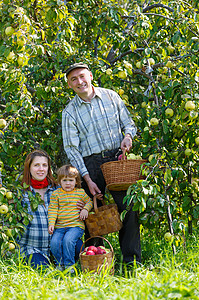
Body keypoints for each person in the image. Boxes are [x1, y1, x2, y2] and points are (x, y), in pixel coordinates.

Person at [62, 62, 141, 265]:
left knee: (129, 208)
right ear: (70, 85)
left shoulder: (110, 96)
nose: (80, 82)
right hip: (91, 165)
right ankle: (95, 264)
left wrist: (128, 137)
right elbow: (72, 149)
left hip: (117, 161)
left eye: (82, 76)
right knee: (90, 216)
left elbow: (129, 124)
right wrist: (87, 178)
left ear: (90, 75)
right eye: (74, 79)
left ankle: (131, 262)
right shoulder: (69, 112)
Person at [17, 149, 83, 268]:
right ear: (29, 168)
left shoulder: (58, 190)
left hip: (58, 243)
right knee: (43, 268)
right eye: (36, 165)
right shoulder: (21, 193)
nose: (41, 169)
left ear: (48, 168)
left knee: (78, 246)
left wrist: (82, 207)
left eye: (44, 165)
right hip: (33, 248)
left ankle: (61, 260)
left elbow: (76, 203)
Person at [48, 164, 93, 271]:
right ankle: (60, 263)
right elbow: (53, 209)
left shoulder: (80, 193)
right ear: (59, 182)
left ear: (76, 181)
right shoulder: (56, 194)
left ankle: (69, 265)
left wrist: (85, 209)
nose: (68, 183)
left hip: (75, 226)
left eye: (71, 180)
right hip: (60, 226)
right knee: (54, 242)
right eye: (64, 180)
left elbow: (89, 201)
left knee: (68, 240)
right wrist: (51, 223)